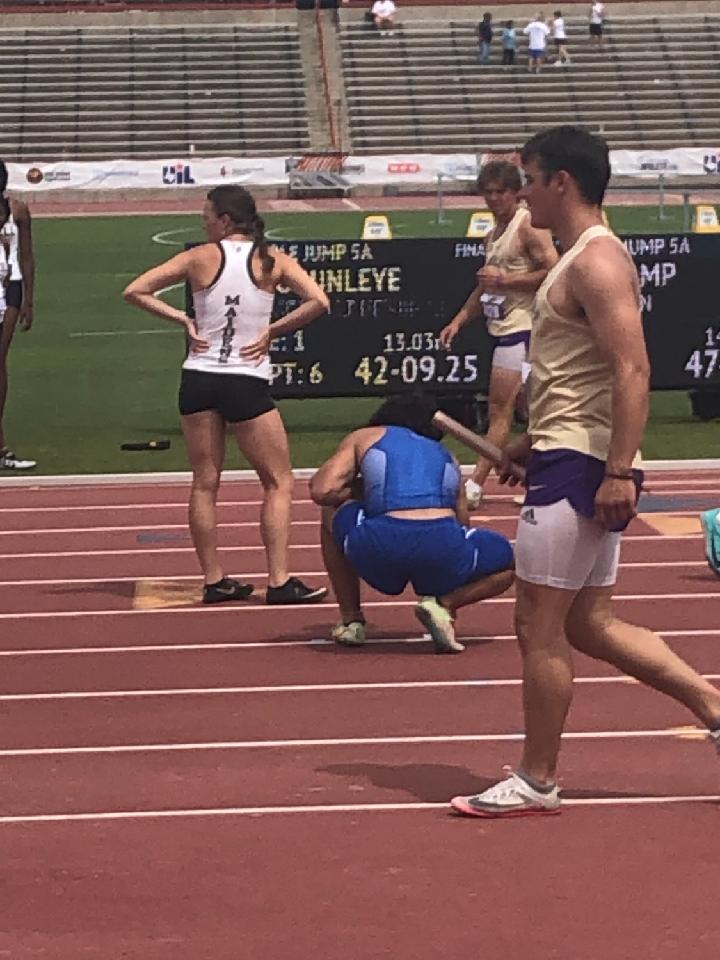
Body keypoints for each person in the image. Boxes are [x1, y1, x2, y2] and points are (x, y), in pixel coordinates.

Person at [450, 125, 720, 818]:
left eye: (530, 179)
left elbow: (633, 369)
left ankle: (536, 777)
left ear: (560, 182)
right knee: (589, 623)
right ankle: (713, 707)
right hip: (567, 451)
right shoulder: (577, 260)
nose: (523, 194)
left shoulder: (597, 263)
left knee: (535, 623)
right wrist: (529, 440)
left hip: (583, 465)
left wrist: (618, 473)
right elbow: (583, 378)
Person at [124, 184, 330, 606]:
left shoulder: (199, 257)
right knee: (278, 480)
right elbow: (319, 302)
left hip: (199, 376)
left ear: (225, 220)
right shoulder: (272, 260)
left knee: (204, 482)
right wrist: (274, 330)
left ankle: (215, 579)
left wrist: (182, 318)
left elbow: (135, 290)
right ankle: (278, 580)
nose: (203, 221)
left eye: (207, 215)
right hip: (245, 378)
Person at [309, 395, 515, 653]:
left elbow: (322, 490)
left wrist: (363, 491)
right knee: (510, 562)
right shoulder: (447, 456)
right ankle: (444, 604)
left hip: (380, 547)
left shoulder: (365, 436)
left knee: (331, 509)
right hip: (443, 551)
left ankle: (352, 620)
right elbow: (462, 523)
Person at [439, 159, 557, 509]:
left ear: (516, 193)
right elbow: (486, 286)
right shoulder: (494, 234)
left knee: (501, 412)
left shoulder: (527, 226)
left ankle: (475, 483)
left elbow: (554, 268)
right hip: (505, 328)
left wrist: (507, 281)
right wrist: (460, 319)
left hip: (523, 331)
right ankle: (542, 478)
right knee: (534, 414)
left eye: (500, 192)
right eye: (487, 193)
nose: (493, 199)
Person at [0, 160, 37, 471]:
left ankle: (1, 446)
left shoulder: (19, 211)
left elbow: (26, 254)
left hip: (9, 287)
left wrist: (29, 299)